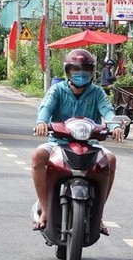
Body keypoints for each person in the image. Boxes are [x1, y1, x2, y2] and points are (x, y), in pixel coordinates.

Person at [31, 49, 123, 232]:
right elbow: (45, 108)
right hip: (58, 143)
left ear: (92, 73)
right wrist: (42, 122)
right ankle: (46, 210)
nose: (81, 74)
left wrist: (115, 126)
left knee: (111, 160)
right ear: (68, 72)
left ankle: (98, 214)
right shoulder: (57, 90)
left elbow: (108, 111)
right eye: (76, 70)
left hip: (91, 144)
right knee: (37, 158)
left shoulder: (97, 93)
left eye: (86, 70)